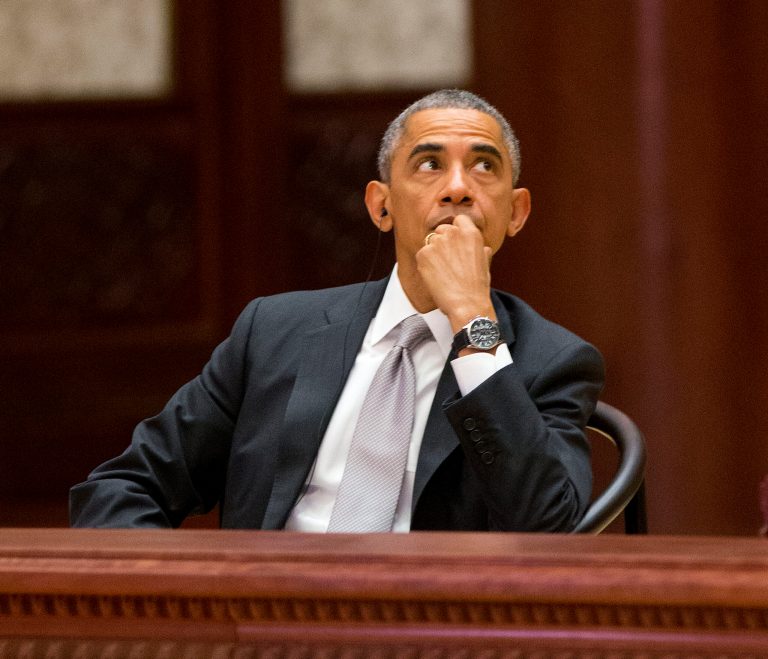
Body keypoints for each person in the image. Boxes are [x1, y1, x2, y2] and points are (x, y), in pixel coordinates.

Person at [70, 89, 604, 532]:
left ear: (516, 212)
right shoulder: (274, 332)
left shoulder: (551, 362)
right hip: (263, 623)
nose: (458, 188)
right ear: (381, 205)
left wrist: (472, 320)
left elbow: (549, 528)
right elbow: (125, 487)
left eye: (484, 166)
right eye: (429, 164)